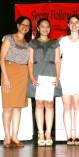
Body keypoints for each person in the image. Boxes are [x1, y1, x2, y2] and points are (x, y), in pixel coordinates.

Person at [27, 18, 62, 147]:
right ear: (38, 28)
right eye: (42, 26)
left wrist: (57, 77)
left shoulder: (55, 43)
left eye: (47, 26)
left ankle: (48, 133)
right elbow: (30, 61)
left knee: (49, 103)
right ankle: (40, 133)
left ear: (50, 28)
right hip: (37, 74)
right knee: (39, 103)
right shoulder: (33, 43)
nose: (45, 28)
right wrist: (31, 77)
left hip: (51, 74)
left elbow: (58, 61)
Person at [0, 16, 32, 148]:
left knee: (18, 107)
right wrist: (6, 78)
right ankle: (7, 137)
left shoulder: (27, 43)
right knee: (8, 107)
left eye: (28, 26)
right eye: (23, 24)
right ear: (18, 25)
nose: (25, 27)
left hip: (23, 74)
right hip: (9, 71)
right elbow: (1, 59)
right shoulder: (9, 38)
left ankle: (15, 137)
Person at [59, 14, 79, 146]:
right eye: (71, 22)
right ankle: (69, 137)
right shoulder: (62, 40)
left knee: (77, 106)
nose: (74, 24)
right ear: (68, 25)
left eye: (76, 22)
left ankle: (77, 136)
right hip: (65, 76)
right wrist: (57, 76)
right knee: (67, 106)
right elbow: (58, 59)